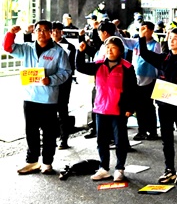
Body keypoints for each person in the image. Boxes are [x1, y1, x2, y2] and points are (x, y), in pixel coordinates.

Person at [3, 21, 71, 175]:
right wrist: (11, 33)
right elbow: (7, 47)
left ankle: (47, 162)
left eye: (46, 30)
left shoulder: (58, 52)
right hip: (30, 97)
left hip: (48, 99)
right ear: (34, 32)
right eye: (39, 30)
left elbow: (66, 72)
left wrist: (51, 80)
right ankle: (32, 161)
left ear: (51, 32)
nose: (42, 33)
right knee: (31, 132)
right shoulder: (27, 48)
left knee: (49, 133)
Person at [139, 27, 177, 186]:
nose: (171, 40)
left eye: (175, 38)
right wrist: (141, 37)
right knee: (166, 139)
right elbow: (144, 54)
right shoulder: (163, 58)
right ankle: (169, 170)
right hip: (164, 105)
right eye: (169, 37)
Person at [76, 36, 136, 182]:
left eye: (113, 47)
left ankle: (119, 168)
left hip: (118, 110)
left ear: (120, 50)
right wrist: (80, 52)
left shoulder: (127, 67)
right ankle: (104, 168)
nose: (109, 50)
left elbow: (133, 90)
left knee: (119, 140)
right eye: (107, 47)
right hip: (101, 108)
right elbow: (80, 67)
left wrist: (130, 107)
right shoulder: (98, 64)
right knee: (101, 140)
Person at [120, 21, 161, 141]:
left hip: (150, 79)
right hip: (136, 79)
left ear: (152, 31)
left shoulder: (155, 45)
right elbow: (124, 41)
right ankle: (142, 130)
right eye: (141, 29)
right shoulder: (136, 42)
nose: (143, 31)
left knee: (149, 106)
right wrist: (116, 31)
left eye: (145, 29)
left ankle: (152, 131)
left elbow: (156, 61)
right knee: (138, 107)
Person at [51, 22, 76, 150]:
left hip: (63, 84)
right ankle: (51, 139)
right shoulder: (45, 45)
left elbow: (71, 67)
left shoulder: (69, 47)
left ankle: (64, 138)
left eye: (57, 30)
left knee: (62, 111)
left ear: (62, 32)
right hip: (48, 84)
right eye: (53, 30)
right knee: (49, 112)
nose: (55, 33)